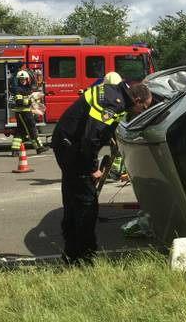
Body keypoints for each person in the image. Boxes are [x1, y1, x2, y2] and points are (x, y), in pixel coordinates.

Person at [51, 78, 152, 265]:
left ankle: (70, 254)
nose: (141, 112)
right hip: (73, 150)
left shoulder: (115, 92)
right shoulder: (114, 103)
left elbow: (96, 126)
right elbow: (90, 138)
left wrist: (110, 136)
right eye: (144, 108)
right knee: (86, 205)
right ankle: (85, 258)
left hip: (67, 144)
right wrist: (93, 169)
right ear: (137, 101)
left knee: (72, 199)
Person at [9, 70, 47, 155]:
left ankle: (15, 150)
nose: (23, 81)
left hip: (25, 113)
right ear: (19, 80)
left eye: (24, 79)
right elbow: (19, 102)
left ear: (27, 80)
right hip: (24, 113)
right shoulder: (18, 90)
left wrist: (35, 99)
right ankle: (39, 147)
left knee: (20, 131)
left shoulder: (26, 89)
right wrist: (30, 101)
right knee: (32, 130)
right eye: (21, 79)